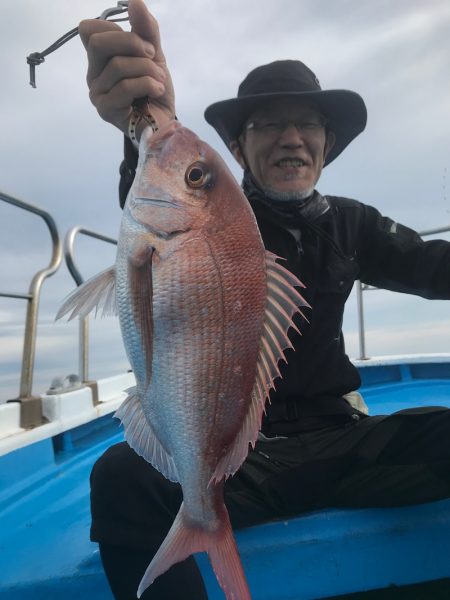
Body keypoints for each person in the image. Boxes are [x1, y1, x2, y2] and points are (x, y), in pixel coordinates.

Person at [79, 1, 450, 598]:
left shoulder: (354, 225)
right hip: (238, 462)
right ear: (238, 145)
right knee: (122, 479)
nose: (292, 138)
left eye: (308, 123)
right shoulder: (213, 216)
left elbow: (436, 268)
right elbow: (153, 203)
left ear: (327, 144)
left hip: (342, 441)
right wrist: (145, 118)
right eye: (269, 124)